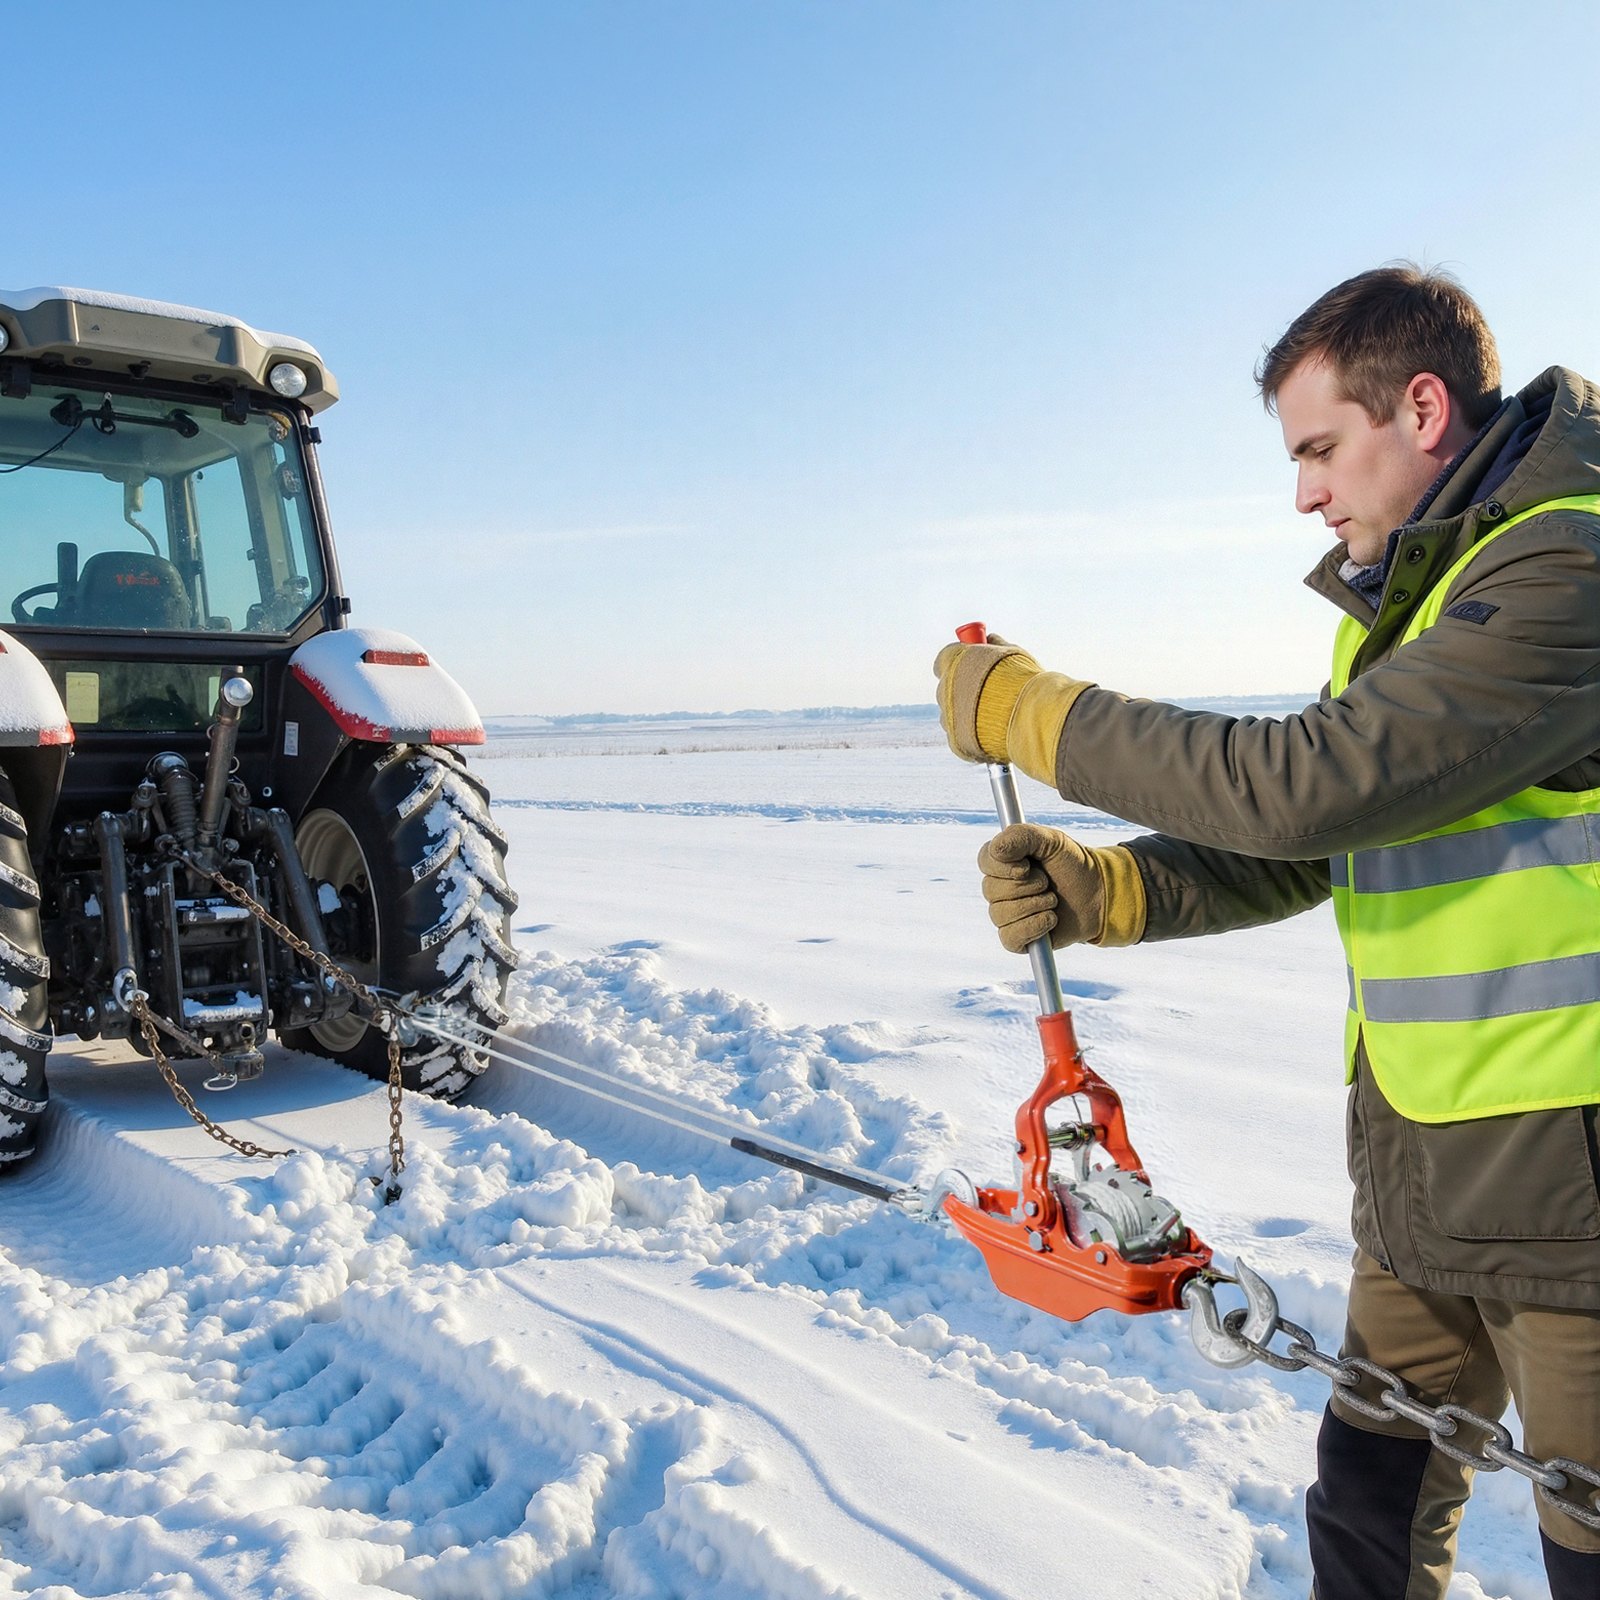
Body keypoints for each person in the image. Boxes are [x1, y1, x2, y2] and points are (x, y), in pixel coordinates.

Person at [932, 264, 1600, 1600]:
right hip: (1421, 1185)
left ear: (1420, 411)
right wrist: (1111, 890)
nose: (1304, 494)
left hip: (1573, 1217)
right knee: (1363, 1526)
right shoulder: (1420, 599)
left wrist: (1033, 714)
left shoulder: (1567, 566)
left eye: (1317, 450)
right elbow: (1326, 838)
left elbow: (1314, 780)